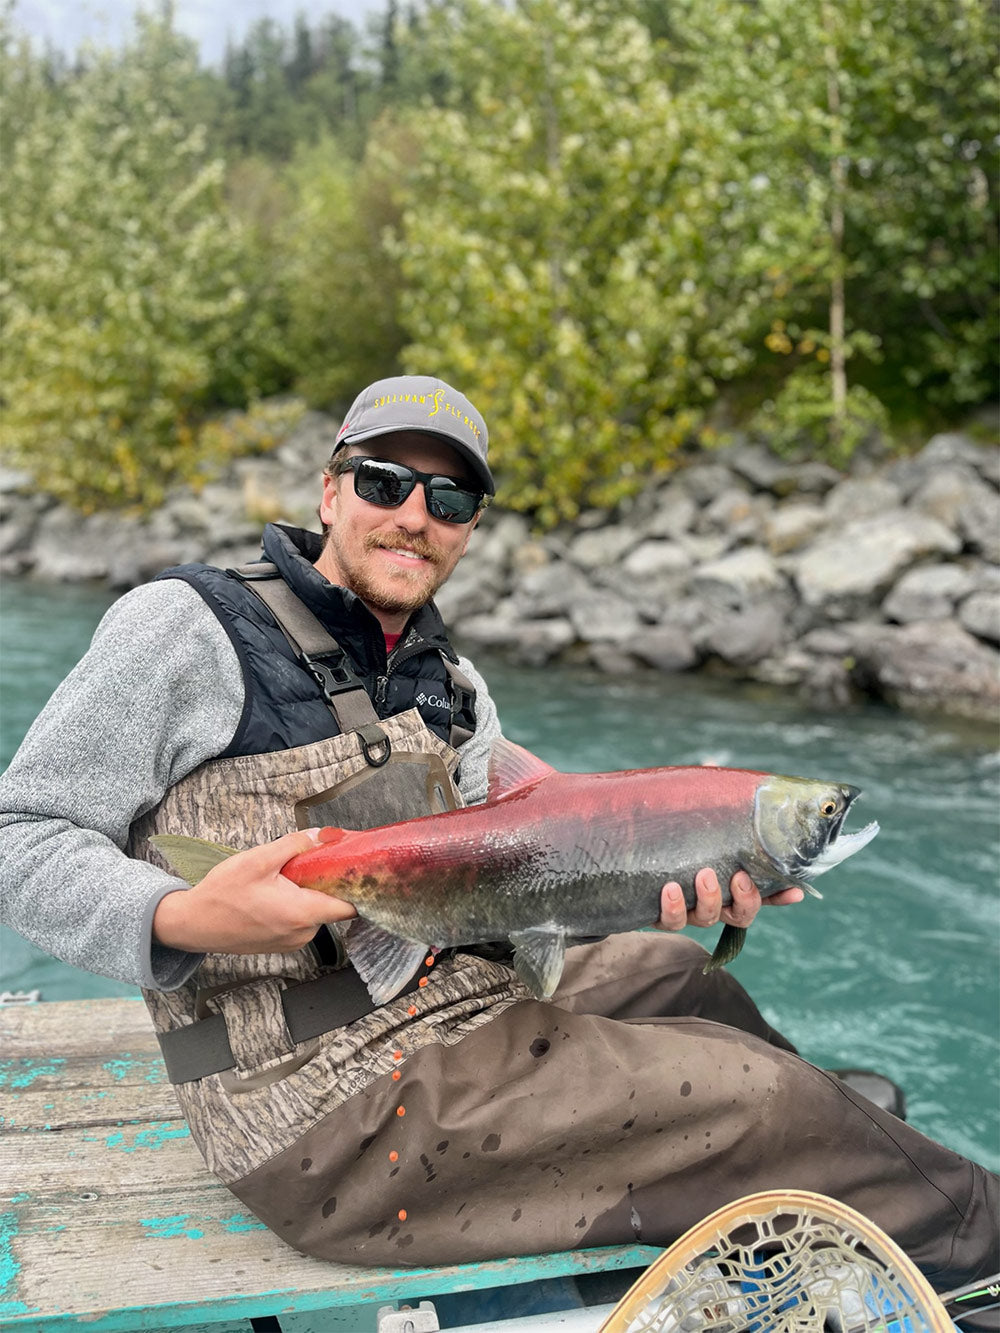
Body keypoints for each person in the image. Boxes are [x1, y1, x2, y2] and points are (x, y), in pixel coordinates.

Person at [1, 375, 996, 1300]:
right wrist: (177, 912)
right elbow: (22, 834)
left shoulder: (453, 684)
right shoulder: (184, 630)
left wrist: (678, 870)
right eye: (384, 480)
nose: (413, 516)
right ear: (330, 488)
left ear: (471, 526)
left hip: (455, 1006)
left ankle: (843, 1171)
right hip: (317, 1111)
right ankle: (942, 1228)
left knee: (684, 975)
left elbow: (523, 875)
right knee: (764, 1101)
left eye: (449, 499)